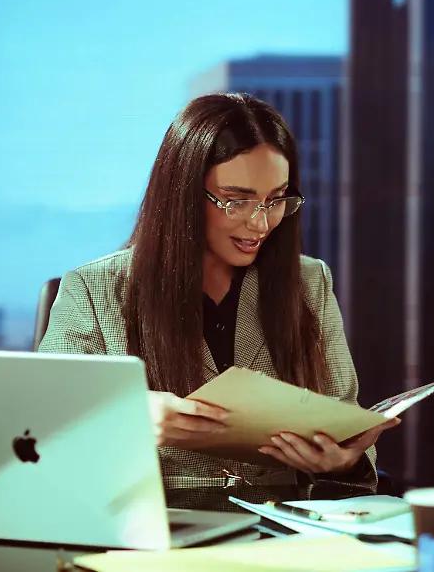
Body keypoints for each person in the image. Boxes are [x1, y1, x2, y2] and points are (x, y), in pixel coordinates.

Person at [39, 93, 397, 505]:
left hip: (283, 528)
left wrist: (343, 463)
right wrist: (127, 419)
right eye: (236, 201)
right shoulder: (94, 288)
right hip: (156, 525)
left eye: (276, 199)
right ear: (184, 195)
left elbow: (347, 426)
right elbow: (48, 432)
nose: (260, 222)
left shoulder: (308, 281)